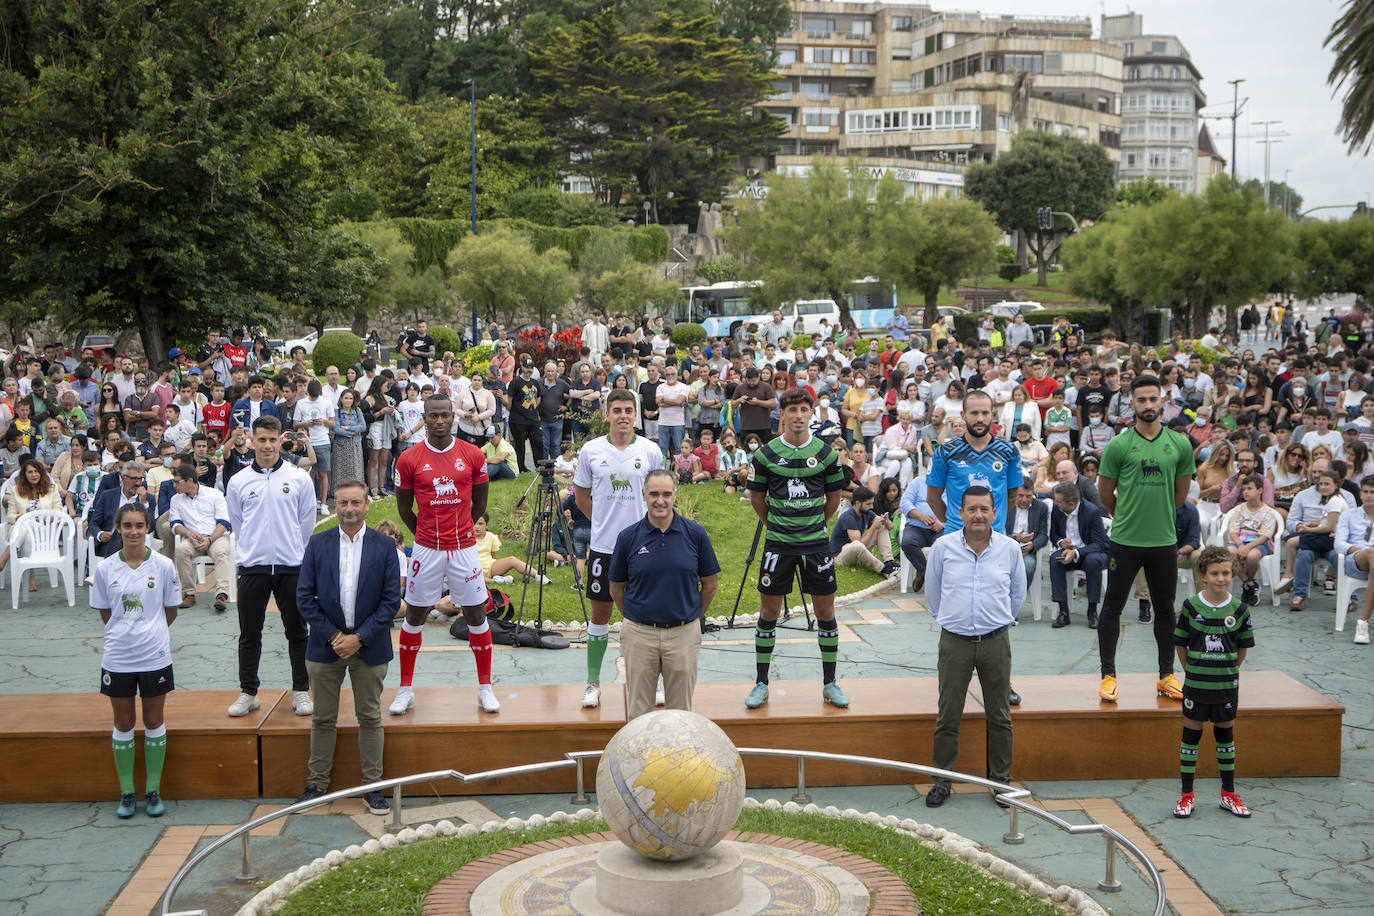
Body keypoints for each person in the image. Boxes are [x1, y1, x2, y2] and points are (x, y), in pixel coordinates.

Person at [292, 481, 400, 814]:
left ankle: (373, 787)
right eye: (342, 503)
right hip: (326, 648)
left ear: (368, 504)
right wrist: (335, 637)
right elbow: (304, 598)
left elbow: (390, 600)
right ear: (335, 506)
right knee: (323, 718)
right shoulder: (317, 544)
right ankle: (317, 784)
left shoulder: (384, 547)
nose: (349, 509)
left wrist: (359, 637)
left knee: (370, 717)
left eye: (355, 502)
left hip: (369, 646)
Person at [392, 395, 499, 716]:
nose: (439, 421)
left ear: (453, 417)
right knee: (414, 616)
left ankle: (485, 688)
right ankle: (405, 690)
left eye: (444, 416)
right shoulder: (409, 459)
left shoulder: (471, 455)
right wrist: (425, 534)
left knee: (476, 614)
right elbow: (403, 509)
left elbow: (479, 503)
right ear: (424, 418)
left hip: (464, 549)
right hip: (426, 548)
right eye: (432, 416)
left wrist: (463, 528)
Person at [745, 388, 849, 709]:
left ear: (811, 413)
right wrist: (779, 525)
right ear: (784, 415)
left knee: (825, 613)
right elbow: (757, 499)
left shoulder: (827, 455)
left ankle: (830, 684)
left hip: (816, 546)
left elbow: (833, 501)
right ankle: (761, 683)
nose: (799, 416)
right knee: (769, 613)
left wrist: (811, 524)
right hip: (778, 546)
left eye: (805, 409)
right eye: (793, 410)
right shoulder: (765, 455)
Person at [1096, 375, 1197, 704]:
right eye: (1141, 400)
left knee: (1165, 609)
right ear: (1132, 403)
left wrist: (1157, 514)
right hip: (1125, 540)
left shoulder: (1180, 444)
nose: (1148, 405)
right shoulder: (1119, 445)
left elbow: (1180, 495)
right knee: (1112, 606)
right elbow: (1105, 494)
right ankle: (1108, 676)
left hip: (1163, 541)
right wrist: (1128, 514)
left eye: (1153, 399)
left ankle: (1166, 676)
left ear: (1162, 401)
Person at [923, 486, 1023, 809]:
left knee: (1000, 715)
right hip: (954, 643)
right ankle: (942, 781)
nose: (978, 515)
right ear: (960, 513)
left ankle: (1001, 782)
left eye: (984, 509)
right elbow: (934, 593)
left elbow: (1016, 594)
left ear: (995, 513)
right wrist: (953, 620)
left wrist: (999, 619)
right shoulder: (943, 547)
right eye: (971, 509)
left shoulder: (1009, 549)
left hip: (996, 642)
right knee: (948, 714)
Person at [573, 388, 664, 709]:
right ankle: (593, 683)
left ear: (636, 415)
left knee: (648, 615)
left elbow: (660, 495)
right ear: (608, 414)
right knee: (600, 615)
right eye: (618, 410)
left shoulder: (651, 451)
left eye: (629, 410)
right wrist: (600, 522)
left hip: (644, 547)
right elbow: (581, 495)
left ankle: (652, 683)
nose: (624, 416)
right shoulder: (591, 450)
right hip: (603, 548)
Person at [224, 416, 318, 718]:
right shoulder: (238, 481)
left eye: (272, 439)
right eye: (261, 439)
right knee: (249, 634)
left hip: (291, 565)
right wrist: (255, 548)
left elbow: (306, 521)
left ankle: (302, 691)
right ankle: (248, 692)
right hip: (253, 566)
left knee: (297, 632)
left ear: (281, 440)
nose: (266, 445)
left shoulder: (299, 477)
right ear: (252, 441)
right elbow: (238, 523)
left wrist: (292, 549)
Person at [92, 503, 181, 819]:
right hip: (118, 657)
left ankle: (153, 790)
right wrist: (125, 633)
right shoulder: (105, 570)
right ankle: (127, 793)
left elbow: (169, 610)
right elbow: (106, 614)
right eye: (127, 525)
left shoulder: (164, 566)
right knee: (124, 722)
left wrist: (149, 632)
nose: (133, 532)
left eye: (139, 525)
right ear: (118, 528)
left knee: (154, 721)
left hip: (154, 655)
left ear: (147, 528)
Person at [609, 470, 720, 719]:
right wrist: (636, 616)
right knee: (638, 715)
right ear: (643, 496)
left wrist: (692, 616)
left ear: (675, 496)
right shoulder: (628, 538)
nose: (660, 500)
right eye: (654, 494)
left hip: (683, 635)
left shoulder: (695, 534)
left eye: (666, 494)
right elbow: (616, 588)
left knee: (681, 715)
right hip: (639, 635)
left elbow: (710, 584)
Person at [1171, 546, 1255, 819]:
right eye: (1215, 573)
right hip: (1196, 687)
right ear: (1203, 575)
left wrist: (1228, 672)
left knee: (1225, 737)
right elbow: (1180, 643)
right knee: (1191, 737)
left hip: (1225, 688)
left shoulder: (1240, 610)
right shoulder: (1190, 606)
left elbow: (1241, 650)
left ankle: (1228, 794)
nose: (1221, 578)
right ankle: (1186, 796)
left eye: (1226, 573)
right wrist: (1192, 671)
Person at [927, 390, 1022, 536]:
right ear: (963, 415)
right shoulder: (945, 452)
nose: (980, 418)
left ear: (992, 414)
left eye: (985, 413)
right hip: (956, 536)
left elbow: (1012, 495)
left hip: (995, 535)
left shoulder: (1009, 451)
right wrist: (955, 521)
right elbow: (932, 498)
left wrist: (995, 520)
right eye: (974, 413)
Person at [167, 460, 234, 612]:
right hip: (192, 538)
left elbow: (224, 523)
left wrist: (210, 539)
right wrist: (188, 533)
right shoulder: (175, 500)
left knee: (220, 552)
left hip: (216, 536)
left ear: (190, 481)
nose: (174, 486)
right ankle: (189, 593)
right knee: (181, 551)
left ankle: (222, 594)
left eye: (177, 482)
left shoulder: (214, 494)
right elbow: (175, 524)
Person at [1048, 481, 1110, 628]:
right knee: (1054, 560)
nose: (1055, 504)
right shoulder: (1057, 510)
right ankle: (1063, 611)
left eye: (1058, 501)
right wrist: (1061, 542)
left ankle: (1092, 611)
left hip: (1091, 551)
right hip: (1068, 550)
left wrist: (1076, 552)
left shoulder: (1091, 511)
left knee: (1092, 561)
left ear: (1071, 503)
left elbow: (1099, 544)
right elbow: (1053, 534)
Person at [1223, 475, 1283, 605]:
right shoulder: (1239, 509)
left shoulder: (1268, 512)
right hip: (1239, 541)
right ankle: (1249, 584)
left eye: (1249, 488)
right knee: (1230, 553)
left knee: (1252, 556)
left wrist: (1247, 547)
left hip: (1259, 542)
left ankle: (1248, 586)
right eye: (1244, 489)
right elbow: (1233, 531)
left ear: (1260, 490)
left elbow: (1265, 536)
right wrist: (1240, 545)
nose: (1245, 492)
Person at [89, 460, 158, 560]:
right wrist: (100, 534)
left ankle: (113, 565)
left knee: (124, 530)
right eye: (134, 479)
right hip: (108, 543)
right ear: (123, 477)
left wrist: (143, 503)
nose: (138, 483)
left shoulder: (147, 499)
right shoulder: (107, 496)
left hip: (135, 543)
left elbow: (150, 527)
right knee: (119, 531)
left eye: (140, 479)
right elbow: (93, 524)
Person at [830, 485, 897, 578]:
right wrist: (873, 527)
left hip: (858, 553)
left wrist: (886, 522)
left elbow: (890, 527)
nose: (872, 507)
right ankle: (883, 569)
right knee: (857, 544)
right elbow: (859, 544)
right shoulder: (848, 517)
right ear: (858, 503)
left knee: (881, 525)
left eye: (872, 503)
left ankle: (889, 562)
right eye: (868, 504)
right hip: (840, 557)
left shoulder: (866, 512)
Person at [473, 512, 548, 585]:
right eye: (474, 523)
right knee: (471, 575)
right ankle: (495, 581)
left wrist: (498, 567)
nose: (476, 527)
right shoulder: (466, 538)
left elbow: (493, 555)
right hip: (474, 569)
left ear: (487, 525)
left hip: (490, 567)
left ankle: (538, 576)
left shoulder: (491, 537)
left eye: (480, 524)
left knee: (512, 560)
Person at [1006, 480, 1049, 588]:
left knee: (1029, 564)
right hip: (1007, 547)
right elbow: (998, 532)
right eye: (1020, 496)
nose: (1024, 500)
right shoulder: (1006, 505)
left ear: (1033, 494)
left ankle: (1020, 593)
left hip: (1027, 550)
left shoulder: (1041, 508)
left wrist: (1033, 545)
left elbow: (1043, 535)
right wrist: (1016, 538)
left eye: (1028, 496)